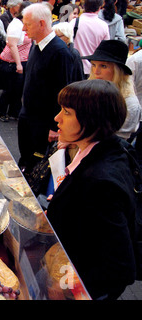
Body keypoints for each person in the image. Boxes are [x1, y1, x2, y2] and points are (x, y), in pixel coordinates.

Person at [47, 79, 138, 300]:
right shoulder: (101, 147)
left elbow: (120, 267)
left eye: (67, 112)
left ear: (92, 120)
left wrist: (68, 287)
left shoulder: (101, 183)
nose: (57, 118)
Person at [19, 3, 74, 172]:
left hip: (42, 125)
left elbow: (63, 93)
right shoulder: (36, 45)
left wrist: (54, 127)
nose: (23, 28)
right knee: (26, 160)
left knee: (36, 167)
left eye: (27, 24)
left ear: (41, 23)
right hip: (28, 118)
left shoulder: (60, 53)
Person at [84, 40, 141, 140]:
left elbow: (115, 142)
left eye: (103, 66)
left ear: (117, 70)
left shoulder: (129, 104)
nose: (96, 71)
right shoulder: (88, 91)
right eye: (94, 65)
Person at [0, 1, 31, 122]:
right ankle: (0, 112)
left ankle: (14, 112)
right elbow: (13, 46)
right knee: (9, 90)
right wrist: (18, 64)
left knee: (17, 89)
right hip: (12, 62)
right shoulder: (16, 25)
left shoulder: (23, 23)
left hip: (21, 61)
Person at [70, 0, 110, 78]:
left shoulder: (74, 22)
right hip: (94, 69)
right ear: (99, 8)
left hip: (75, 67)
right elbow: (106, 49)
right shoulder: (104, 26)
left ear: (84, 7)